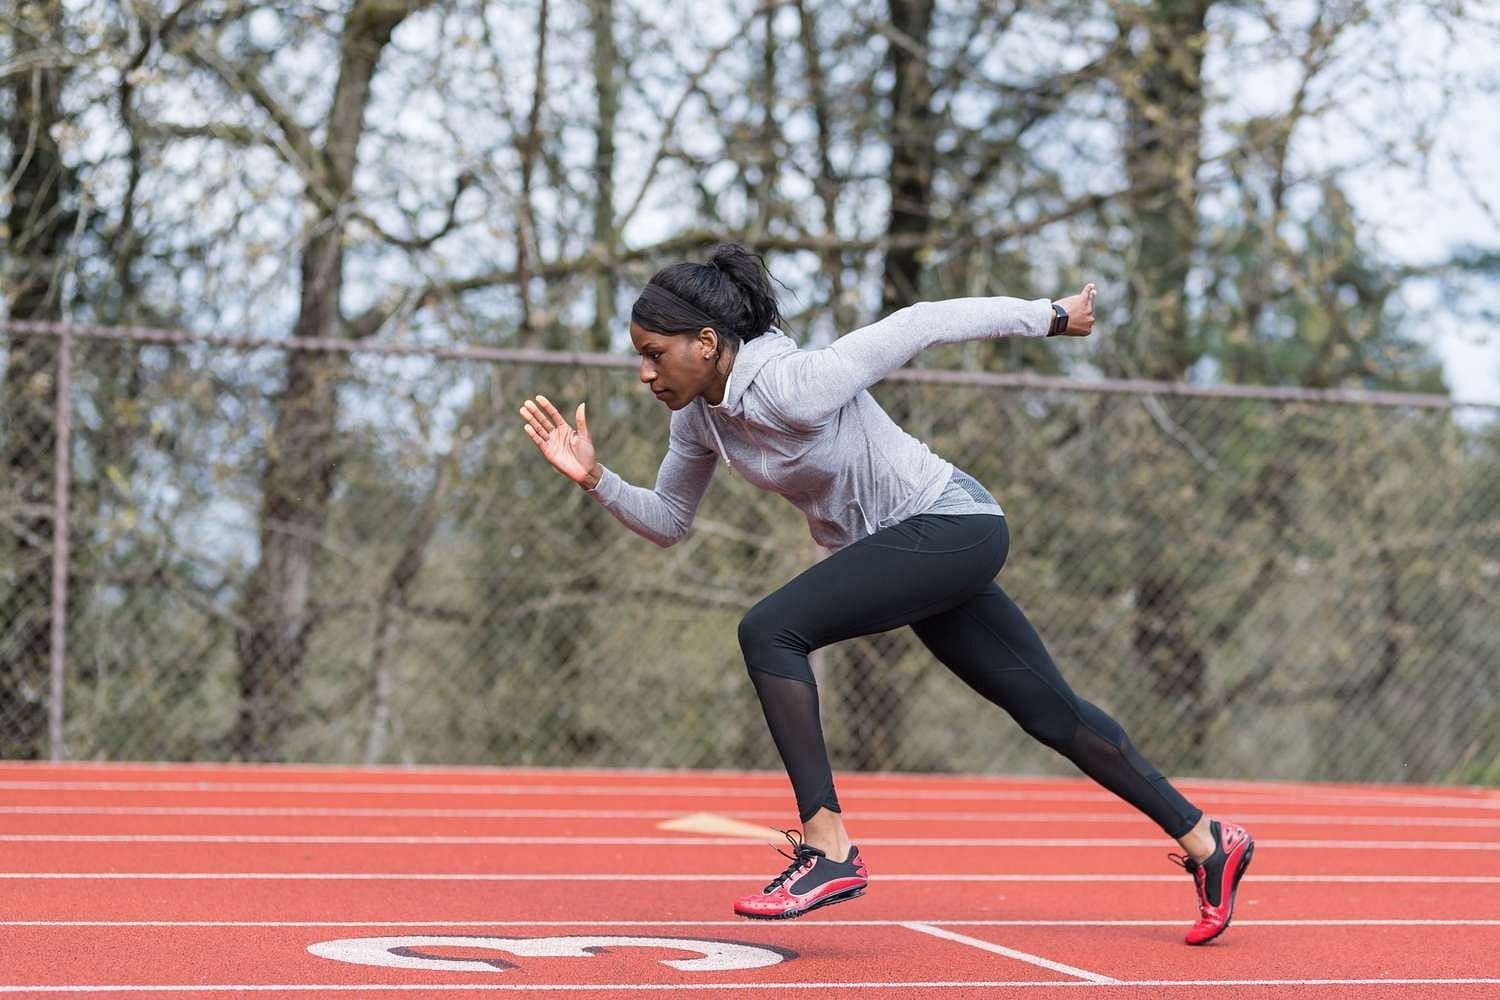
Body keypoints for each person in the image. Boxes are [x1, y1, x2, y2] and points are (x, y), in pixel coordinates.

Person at [518, 243, 1254, 945]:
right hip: (908, 551)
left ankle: (829, 847)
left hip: (954, 524)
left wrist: (1052, 315)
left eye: (654, 354)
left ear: (706, 342)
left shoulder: (791, 383)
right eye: (640, 356)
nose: (644, 372)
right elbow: (670, 522)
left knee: (770, 629)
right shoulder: (699, 420)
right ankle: (1208, 840)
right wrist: (595, 479)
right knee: (1050, 712)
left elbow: (920, 322)